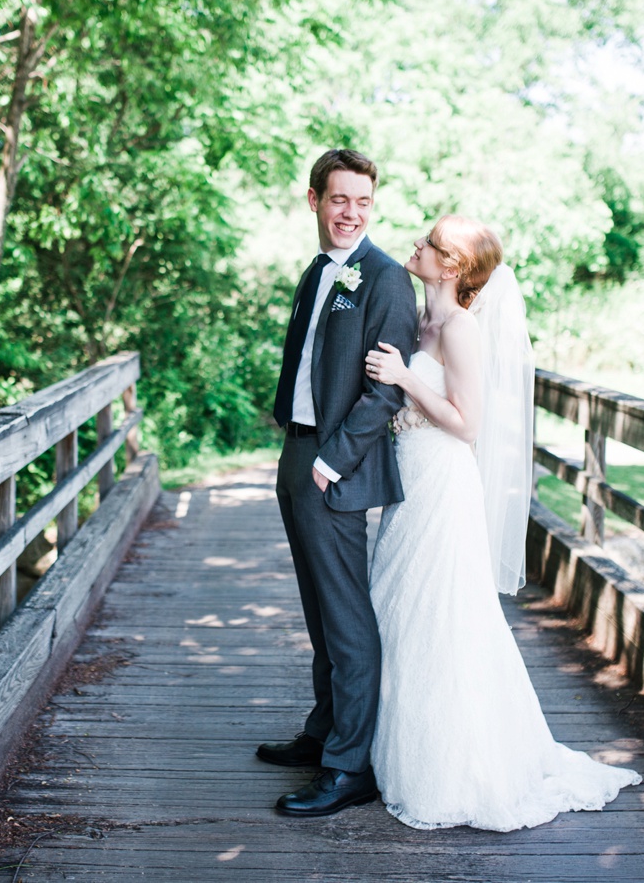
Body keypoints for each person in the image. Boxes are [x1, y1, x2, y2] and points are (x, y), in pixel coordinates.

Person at [363, 215, 640, 831]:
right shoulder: (421, 317)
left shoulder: (460, 329)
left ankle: (451, 767)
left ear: (453, 265)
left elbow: (467, 424)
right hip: (407, 476)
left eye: (428, 244)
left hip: (440, 480)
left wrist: (406, 377)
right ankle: (385, 748)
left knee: (439, 614)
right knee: (400, 609)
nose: (416, 246)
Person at [260, 149, 418, 817]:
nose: (351, 212)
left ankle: (349, 765)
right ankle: (323, 730)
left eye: (363, 201)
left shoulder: (384, 280)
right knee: (318, 613)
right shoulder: (316, 272)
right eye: (339, 199)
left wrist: (332, 461)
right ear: (314, 200)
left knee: (348, 620)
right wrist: (293, 442)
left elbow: (385, 394)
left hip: (335, 466)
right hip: (296, 453)